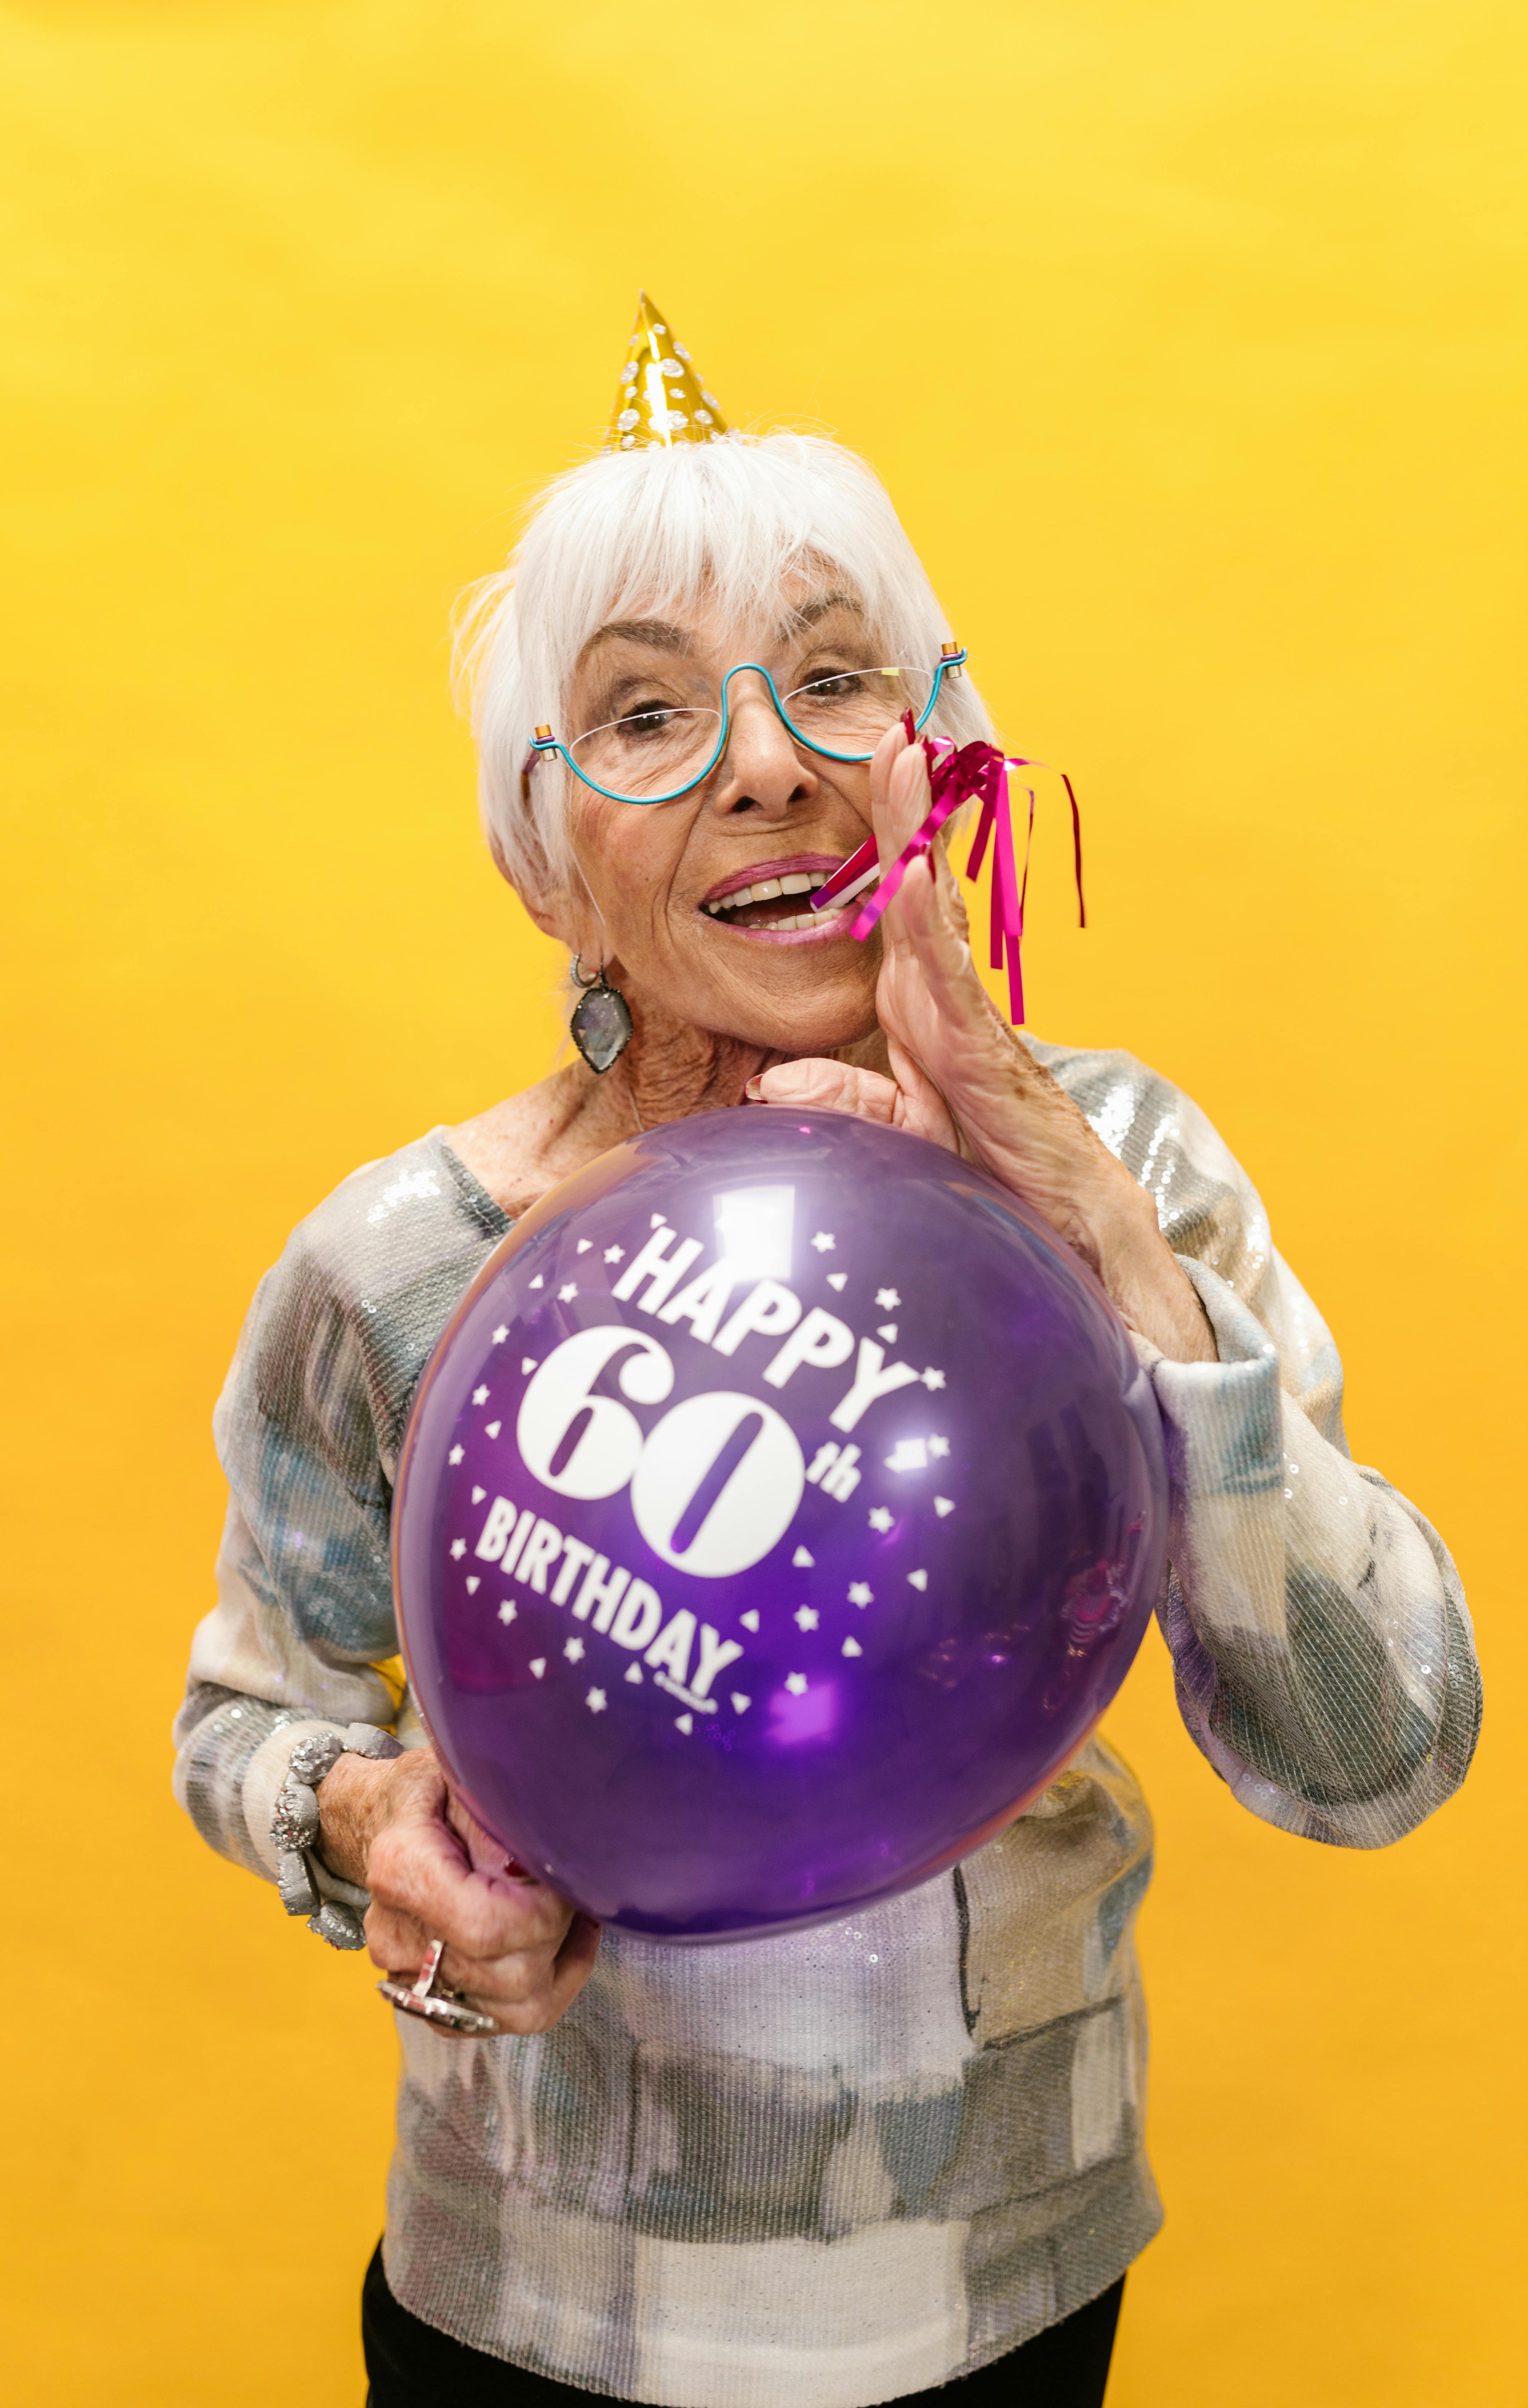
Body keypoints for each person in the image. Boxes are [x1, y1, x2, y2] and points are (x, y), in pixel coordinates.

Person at [173, 297, 1480, 2408]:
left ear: (932, 750)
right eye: (647, 715)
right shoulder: (408, 1262)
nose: (769, 761)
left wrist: (1110, 1254)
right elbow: (245, 1716)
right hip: (534, 2320)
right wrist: (364, 1828)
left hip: (1009, 2300)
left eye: (836, 678)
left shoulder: (1122, 1169)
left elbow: (1380, 1755)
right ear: (546, 858)